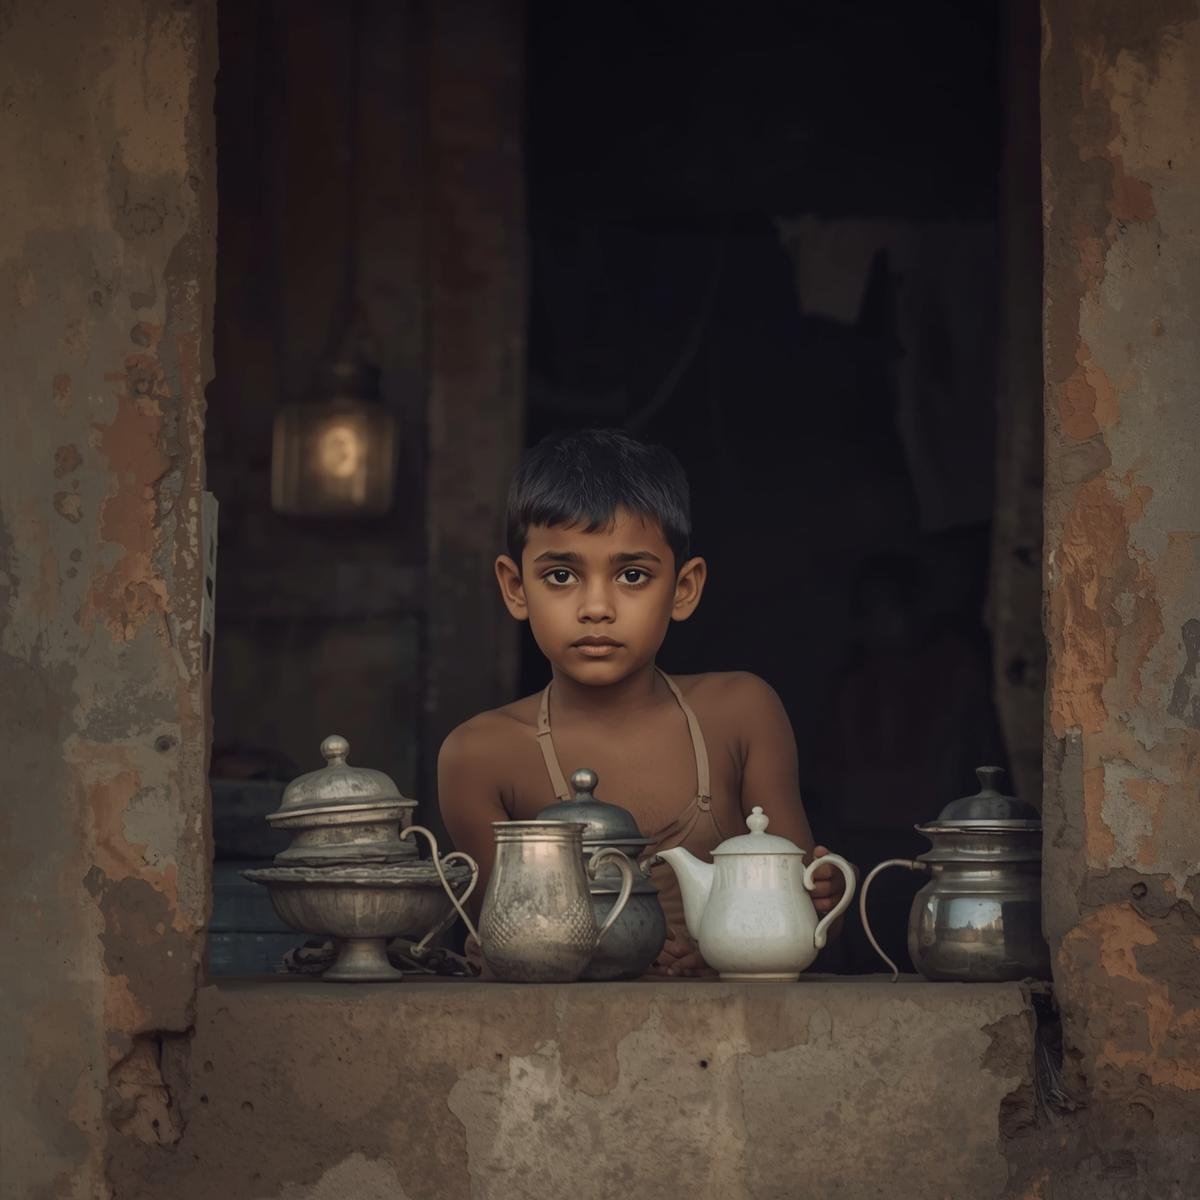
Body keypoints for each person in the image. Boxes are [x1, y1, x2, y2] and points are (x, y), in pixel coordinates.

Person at [438, 428, 848, 976]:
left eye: (632, 575)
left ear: (684, 588)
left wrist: (820, 897)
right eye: (561, 576)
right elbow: (505, 942)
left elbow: (806, 916)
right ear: (515, 588)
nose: (597, 607)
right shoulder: (480, 755)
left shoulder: (741, 714)